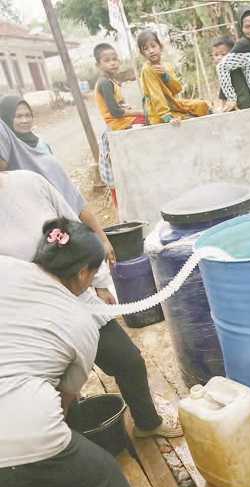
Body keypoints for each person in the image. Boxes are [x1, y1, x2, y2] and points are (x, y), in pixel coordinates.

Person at [0, 169, 183, 439]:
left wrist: (97, 282)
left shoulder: (29, 182)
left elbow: (75, 229)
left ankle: (147, 423)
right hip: (31, 317)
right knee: (57, 388)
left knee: (128, 360)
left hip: (79, 292)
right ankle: (70, 441)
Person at [0, 218, 144, 487]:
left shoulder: (6, 267)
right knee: (104, 481)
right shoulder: (80, 322)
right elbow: (65, 400)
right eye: (93, 275)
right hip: (23, 436)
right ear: (82, 273)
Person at [0, 118, 116, 264]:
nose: (24, 120)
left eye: (26, 114)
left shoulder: (38, 176)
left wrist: (103, 241)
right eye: (18, 116)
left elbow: (76, 208)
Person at [137, 30, 210, 126]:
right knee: (186, 120)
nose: (151, 51)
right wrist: (167, 117)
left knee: (202, 105)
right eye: (146, 49)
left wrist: (165, 75)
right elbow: (156, 96)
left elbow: (177, 89)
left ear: (160, 47)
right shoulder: (147, 70)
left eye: (153, 46)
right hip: (158, 111)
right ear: (142, 53)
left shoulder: (166, 66)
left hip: (173, 104)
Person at [94, 43, 146, 131]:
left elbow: (120, 105)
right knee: (151, 118)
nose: (112, 63)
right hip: (118, 123)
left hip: (122, 120)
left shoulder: (111, 81)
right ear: (98, 65)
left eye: (114, 59)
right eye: (107, 61)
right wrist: (140, 112)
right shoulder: (105, 83)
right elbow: (115, 112)